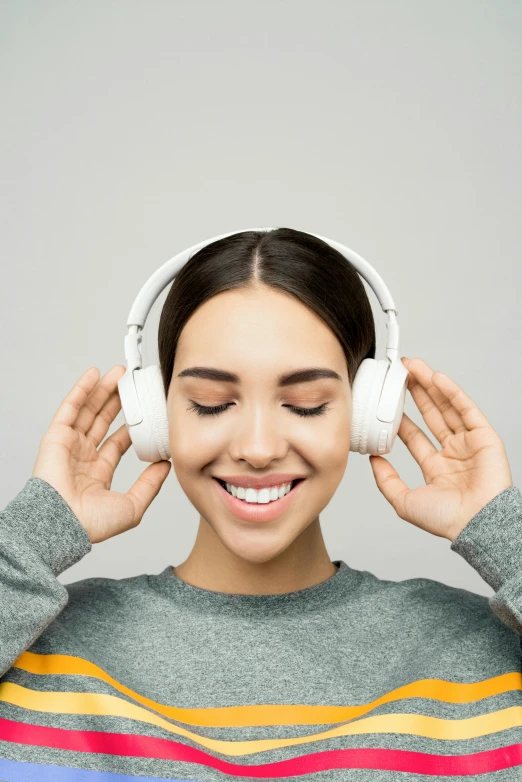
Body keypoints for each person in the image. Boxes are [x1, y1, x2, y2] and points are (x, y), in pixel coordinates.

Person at [0, 227, 520, 781]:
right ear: (155, 415)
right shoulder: (39, 646)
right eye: (211, 403)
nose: (257, 449)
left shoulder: (478, 654)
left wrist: (506, 535)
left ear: (368, 413)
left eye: (306, 405)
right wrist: (34, 535)